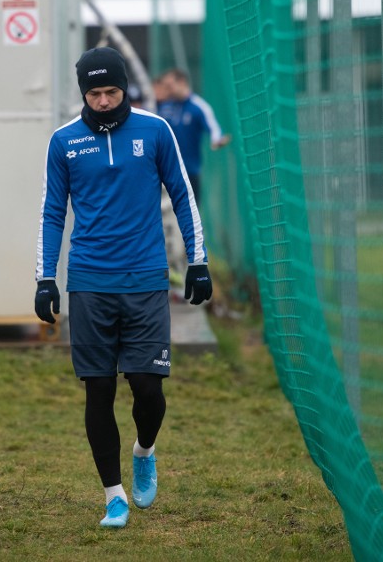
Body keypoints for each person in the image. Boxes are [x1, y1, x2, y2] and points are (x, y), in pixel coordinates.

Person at [34, 47, 213, 529]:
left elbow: (182, 193)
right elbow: (53, 212)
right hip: (89, 283)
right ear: (84, 94)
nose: (105, 100)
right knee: (98, 390)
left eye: (112, 90)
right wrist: (46, 276)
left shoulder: (156, 131)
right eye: (95, 93)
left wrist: (197, 260)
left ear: (124, 89)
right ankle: (113, 496)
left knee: (148, 389)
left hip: (146, 279)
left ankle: (144, 450)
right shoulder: (64, 141)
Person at [156, 68, 231, 205]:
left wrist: (217, 140)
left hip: (188, 172)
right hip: (163, 171)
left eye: (170, 86)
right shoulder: (164, 106)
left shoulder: (199, 107)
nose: (167, 90)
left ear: (182, 82)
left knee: (189, 214)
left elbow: (214, 129)